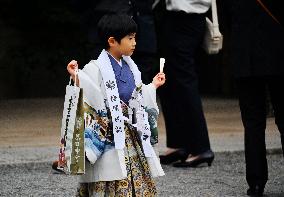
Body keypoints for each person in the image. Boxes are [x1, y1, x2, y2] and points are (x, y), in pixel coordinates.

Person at [67, 13, 165, 196]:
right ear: (112, 41)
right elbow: (89, 96)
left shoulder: (132, 67)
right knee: (109, 174)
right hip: (109, 134)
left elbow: (137, 96)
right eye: (130, 38)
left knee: (135, 173)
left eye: (134, 37)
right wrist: (77, 77)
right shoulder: (95, 67)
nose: (134, 42)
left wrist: (152, 86)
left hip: (130, 132)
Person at [222, 0, 284, 196]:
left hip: (245, 55)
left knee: (253, 123)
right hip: (279, 53)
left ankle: (256, 183)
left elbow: (226, 21)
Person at [154, 0, 214, 167]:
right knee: (169, 81)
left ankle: (201, 147)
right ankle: (180, 144)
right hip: (180, 16)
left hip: (186, 16)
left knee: (184, 81)